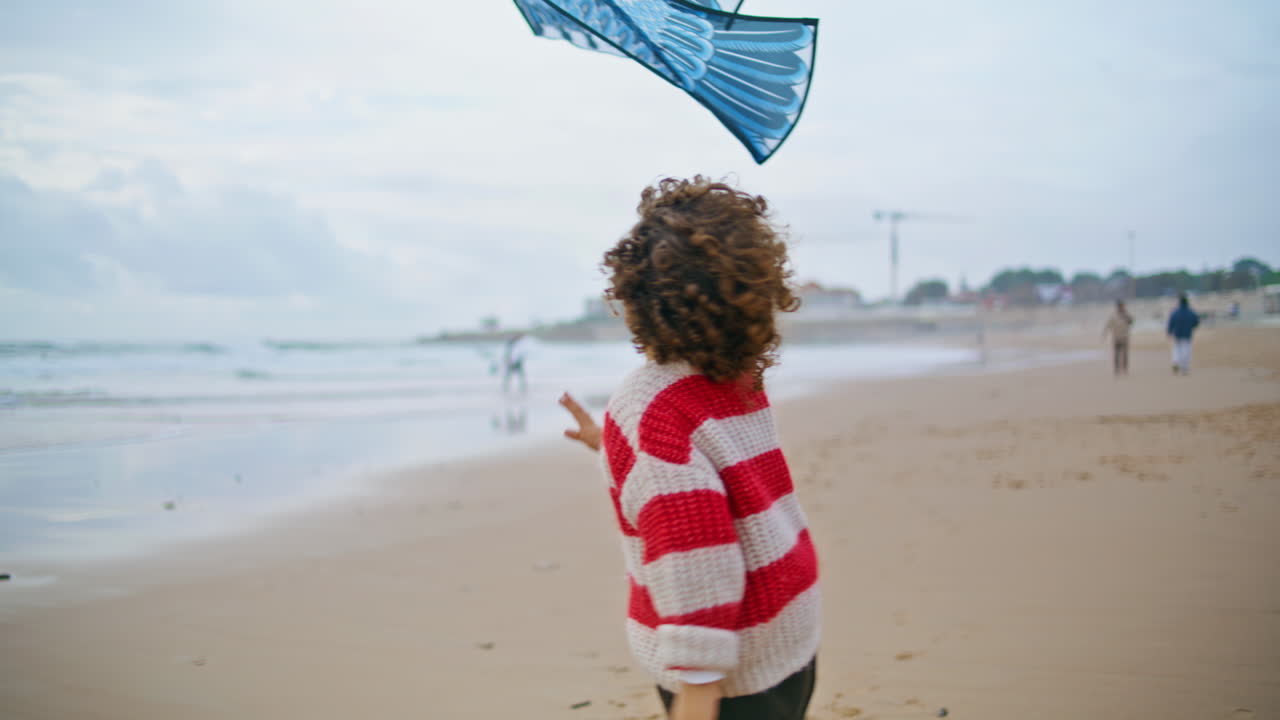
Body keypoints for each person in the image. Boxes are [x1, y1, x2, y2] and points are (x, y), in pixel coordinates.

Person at [560, 177, 819, 720]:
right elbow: (705, 477)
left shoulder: (650, 408)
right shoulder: (734, 377)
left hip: (730, 668)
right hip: (788, 632)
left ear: (636, 299)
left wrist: (699, 684)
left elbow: (695, 552)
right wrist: (608, 444)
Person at [1167, 293, 1200, 375]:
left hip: (1177, 333)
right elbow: (1196, 322)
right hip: (1187, 334)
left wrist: (1169, 331)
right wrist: (1192, 327)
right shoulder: (1191, 312)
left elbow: (1171, 322)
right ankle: (1184, 366)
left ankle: (1176, 361)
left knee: (1177, 349)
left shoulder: (1175, 312)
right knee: (1186, 350)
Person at [1102, 300, 1134, 375]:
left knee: (1125, 354)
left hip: (1125, 337)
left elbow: (1131, 322)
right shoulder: (1113, 316)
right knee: (1117, 354)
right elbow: (1108, 325)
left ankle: (1125, 369)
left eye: (1122, 306)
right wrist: (1104, 334)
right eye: (1120, 306)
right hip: (1116, 337)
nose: (1121, 307)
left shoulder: (1126, 315)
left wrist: (1126, 317)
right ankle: (1117, 369)